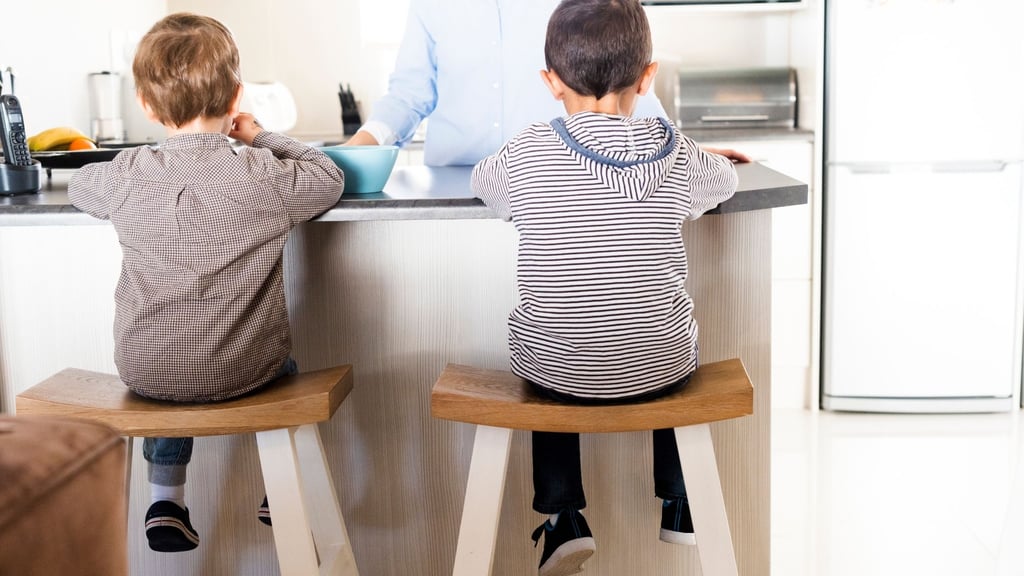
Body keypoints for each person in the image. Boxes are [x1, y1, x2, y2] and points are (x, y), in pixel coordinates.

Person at [471, 1, 742, 574]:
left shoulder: (528, 150)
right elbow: (724, 180)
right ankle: (678, 498)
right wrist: (698, 156)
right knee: (664, 331)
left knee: (550, 341)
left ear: (550, 83)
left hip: (558, 371)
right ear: (649, 77)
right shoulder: (674, 152)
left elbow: (485, 182)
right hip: (661, 369)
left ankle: (562, 515)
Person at [68, 13, 344, 553]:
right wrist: (262, 136)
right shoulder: (262, 173)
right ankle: (277, 488)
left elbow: (81, 186)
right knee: (282, 366)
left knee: (174, 355)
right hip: (248, 369)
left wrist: (131, 169)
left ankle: (166, 499)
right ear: (237, 95)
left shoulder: (130, 173)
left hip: (145, 371)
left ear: (146, 105)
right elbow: (328, 177)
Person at [345, 0, 673, 166]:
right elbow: (409, 93)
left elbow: (622, 72)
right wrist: (360, 147)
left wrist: (673, 149)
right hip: (453, 190)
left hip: (557, 188)